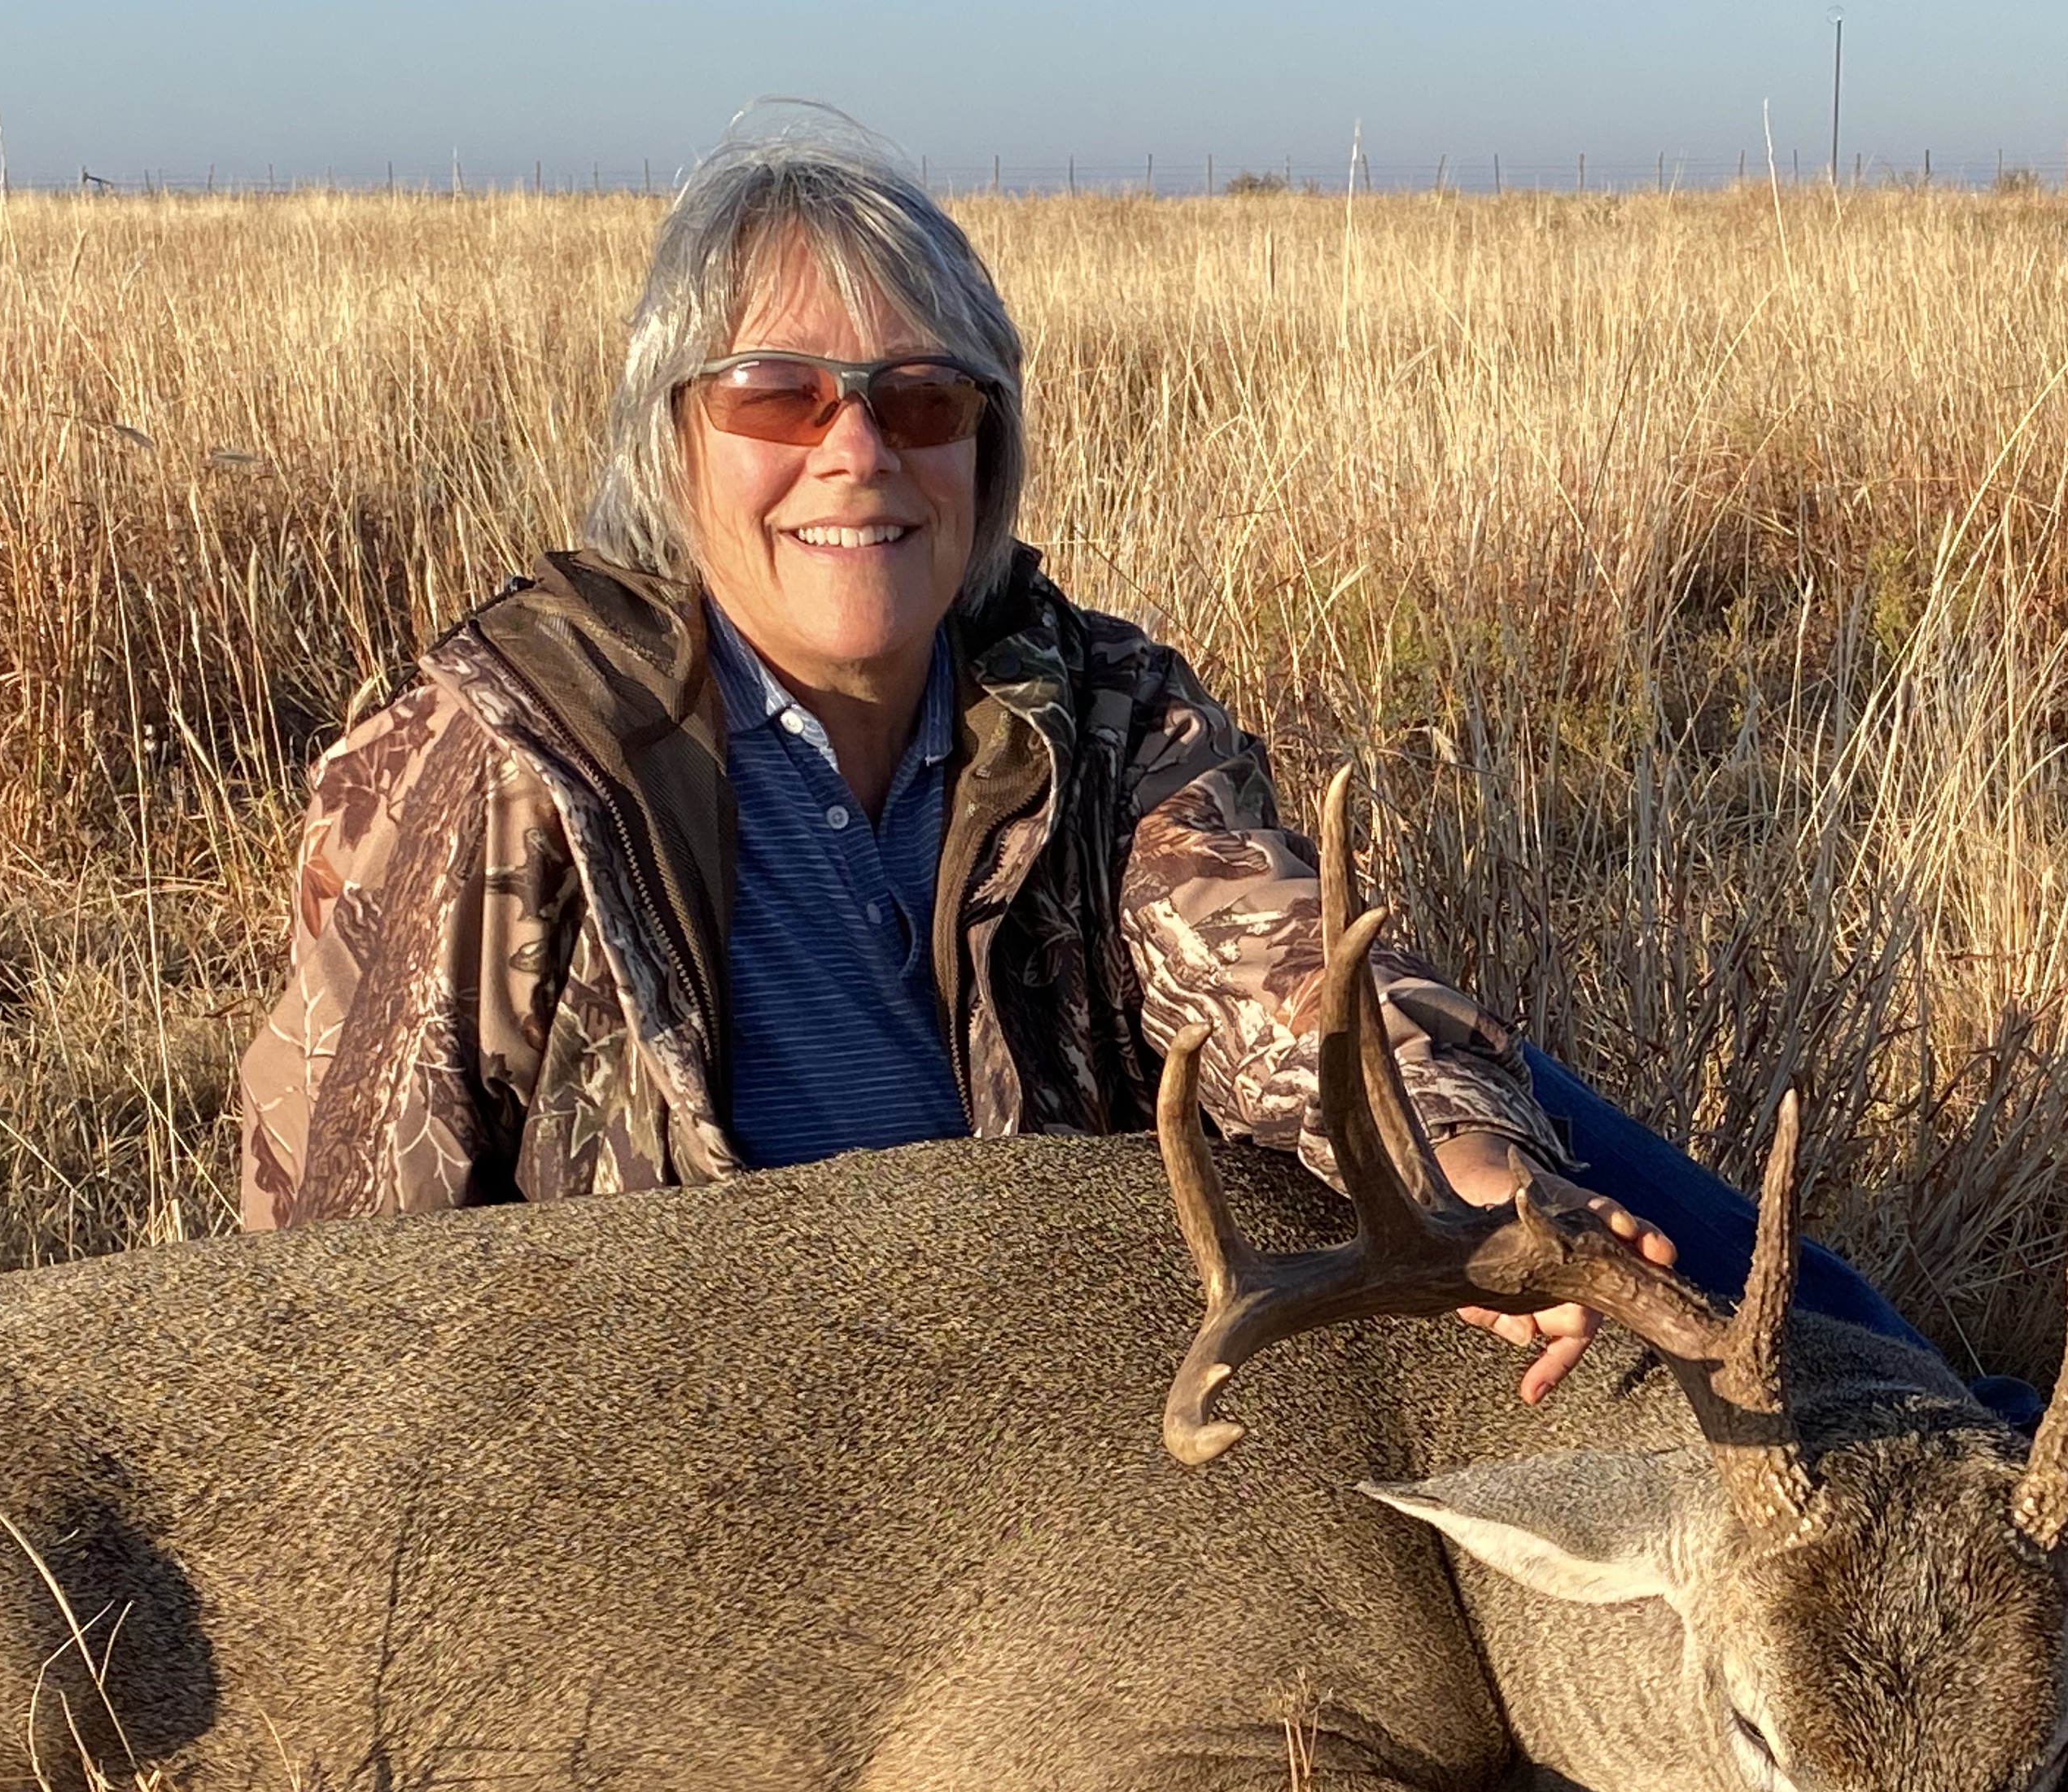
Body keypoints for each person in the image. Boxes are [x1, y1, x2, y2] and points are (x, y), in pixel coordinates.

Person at [236, 113, 1938, 1404]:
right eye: (778, 399)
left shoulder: (1092, 712)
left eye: (920, 405)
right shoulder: (502, 757)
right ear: (669, 446)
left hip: (1063, 1416)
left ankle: (1966, 1465)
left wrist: (1483, 1187)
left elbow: (1291, 987)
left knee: (1532, 1140)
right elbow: (324, 1294)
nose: (856, 456)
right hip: (718, 1471)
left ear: (989, 446)